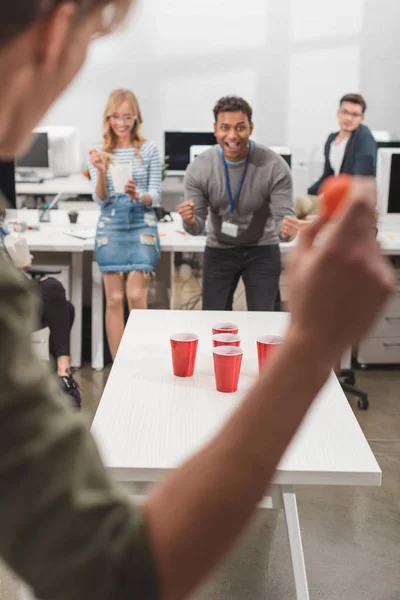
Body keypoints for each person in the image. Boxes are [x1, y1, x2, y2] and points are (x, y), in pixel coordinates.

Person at [0, 3, 394, 600]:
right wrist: (316, 343)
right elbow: (116, 570)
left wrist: (280, 227)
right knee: (196, 314)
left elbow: (280, 212)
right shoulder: (201, 163)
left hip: (256, 251)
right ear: (55, 36)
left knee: (247, 317)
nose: (232, 136)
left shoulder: (269, 165)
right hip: (202, 247)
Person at [178, 96, 298, 312]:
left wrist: (288, 232)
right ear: (215, 129)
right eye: (225, 127)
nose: (232, 135)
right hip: (219, 248)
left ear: (251, 128)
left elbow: (283, 224)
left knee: (265, 319)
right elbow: (196, 228)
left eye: (240, 127)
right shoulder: (199, 168)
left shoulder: (274, 166)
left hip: (262, 248)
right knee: (214, 320)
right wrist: (189, 221)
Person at [89, 89, 162, 359]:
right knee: (115, 300)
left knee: (135, 296)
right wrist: (99, 171)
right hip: (111, 224)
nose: (122, 123)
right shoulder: (102, 152)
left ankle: (141, 360)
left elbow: (155, 195)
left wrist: (136, 195)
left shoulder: (149, 149)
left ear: (136, 117)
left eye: (128, 117)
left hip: (141, 222)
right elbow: (100, 198)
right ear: (108, 118)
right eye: (116, 117)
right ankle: (119, 367)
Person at [0, 227, 81, 409]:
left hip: (13, 294)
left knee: (66, 309)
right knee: (54, 290)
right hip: (5, 300)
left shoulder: (3, 228)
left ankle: (60, 374)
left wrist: (16, 262)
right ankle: (63, 373)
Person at [308, 93, 377, 195]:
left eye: (355, 114)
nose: (349, 118)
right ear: (338, 113)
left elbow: (360, 179)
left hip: (353, 200)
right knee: (301, 201)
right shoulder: (331, 139)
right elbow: (328, 176)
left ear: (362, 118)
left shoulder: (364, 138)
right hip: (336, 195)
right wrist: (310, 192)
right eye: (345, 112)